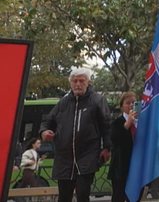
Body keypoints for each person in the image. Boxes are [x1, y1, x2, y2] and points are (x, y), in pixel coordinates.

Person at [40, 67, 111, 202]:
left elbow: (106, 126)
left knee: (82, 194)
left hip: (87, 156)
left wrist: (107, 148)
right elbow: (47, 121)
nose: (78, 84)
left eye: (81, 81)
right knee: (64, 197)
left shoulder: (97, 100)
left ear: (88, 83)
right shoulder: (63, 103)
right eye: (75, 81)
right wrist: (44, 131)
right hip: (64, 158)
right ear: (71, 83)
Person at [109, 92, 137, 202]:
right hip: (120, 167)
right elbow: (115, 139)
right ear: (122, 106)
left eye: (134, 103)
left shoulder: (140, 122)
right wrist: (127, 124)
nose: (131, 105)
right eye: (128, 103)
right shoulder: (118, 122)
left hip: (136, 165)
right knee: (119, 196)